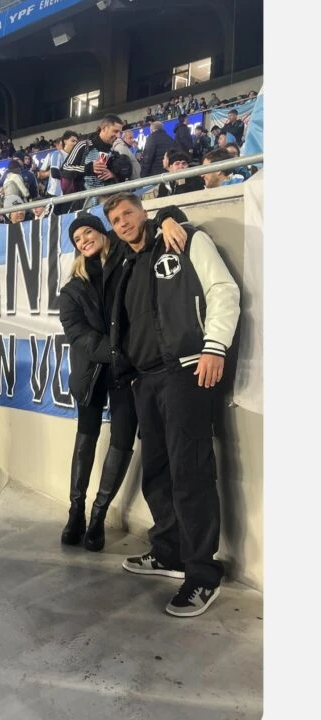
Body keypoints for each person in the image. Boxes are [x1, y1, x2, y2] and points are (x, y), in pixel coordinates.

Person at [104, 192, 240, 616]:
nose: (123, 222)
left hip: (187, 371)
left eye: (128, 213)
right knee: (158, 472)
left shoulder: (185, 239)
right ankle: (169, 552)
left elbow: (223, 290)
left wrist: (215, 346)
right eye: (115, 219)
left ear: (144, 213)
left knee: (191, 473)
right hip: (146, 381)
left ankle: (203, 574)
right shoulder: (125, 264)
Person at [59, 208, 188, 553]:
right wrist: (118, 354)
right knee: (85, 438)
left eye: (88, 233)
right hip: (93, 371)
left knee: (122, 441)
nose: (84, 240)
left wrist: (168, 218)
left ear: (102, 234)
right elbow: (79, 335)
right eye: (77, 238)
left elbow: (145, 222)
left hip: (125, 374)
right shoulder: (71, 289)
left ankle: (98, 516)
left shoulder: (124, 261)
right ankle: (76, 512)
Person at [59, 115, 125, 207]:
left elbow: (122, 175)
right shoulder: (83, 145)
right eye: (115, 131)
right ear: (104, 128)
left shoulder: (113, 153)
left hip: (106, 205)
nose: (118, 136)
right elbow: (65, 169)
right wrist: (89, 168)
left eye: (120, 132)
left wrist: (113, 174)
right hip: (83, 204)